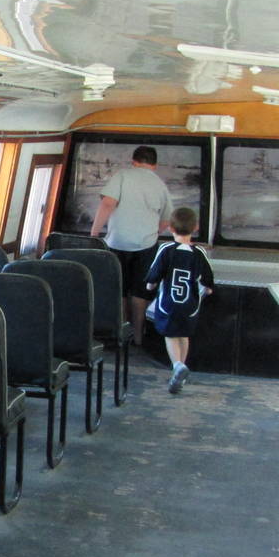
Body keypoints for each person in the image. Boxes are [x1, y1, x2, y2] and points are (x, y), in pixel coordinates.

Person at [88, 145, 173, 341]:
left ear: (133, 162)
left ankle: (120, 334)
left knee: (119, 289)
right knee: (139, 292)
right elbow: (166, 220)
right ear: (155, 165)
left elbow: (108, 203)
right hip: (146, 244)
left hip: (117, 242)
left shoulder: (122, 176)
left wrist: (94, 233)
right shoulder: (160, 185)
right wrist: (153, 232)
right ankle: (138, 337)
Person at [144, 206, 214, 395]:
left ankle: (177, 365)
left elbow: (154, 274)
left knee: (170, 335)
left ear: (171, 228)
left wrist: (150, 285)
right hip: (190, 305)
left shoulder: (166, 249)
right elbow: (208, 279)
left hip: (168, 303)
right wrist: (207, 289)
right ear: (196, 227)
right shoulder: (199, 253)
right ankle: (180, 373)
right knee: (183, 335)